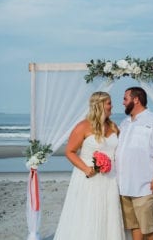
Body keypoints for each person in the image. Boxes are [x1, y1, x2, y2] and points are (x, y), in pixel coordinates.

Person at [53, 91, 126, 240]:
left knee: (109, 214)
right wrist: (86, 169)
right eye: (109, 103)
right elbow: (70, 151)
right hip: (88, 178)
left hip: (110, 179)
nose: (112, 106)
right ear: (99, 105)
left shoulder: (114, 127)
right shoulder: (82, 126)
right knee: (88, 214)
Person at [115, 87, 153, 240]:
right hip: (124, 185)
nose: (123, 103)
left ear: (136, 99)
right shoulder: (124, 123)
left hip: (144, 186)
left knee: (149, 228)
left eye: (125, 99)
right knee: (134, 226)